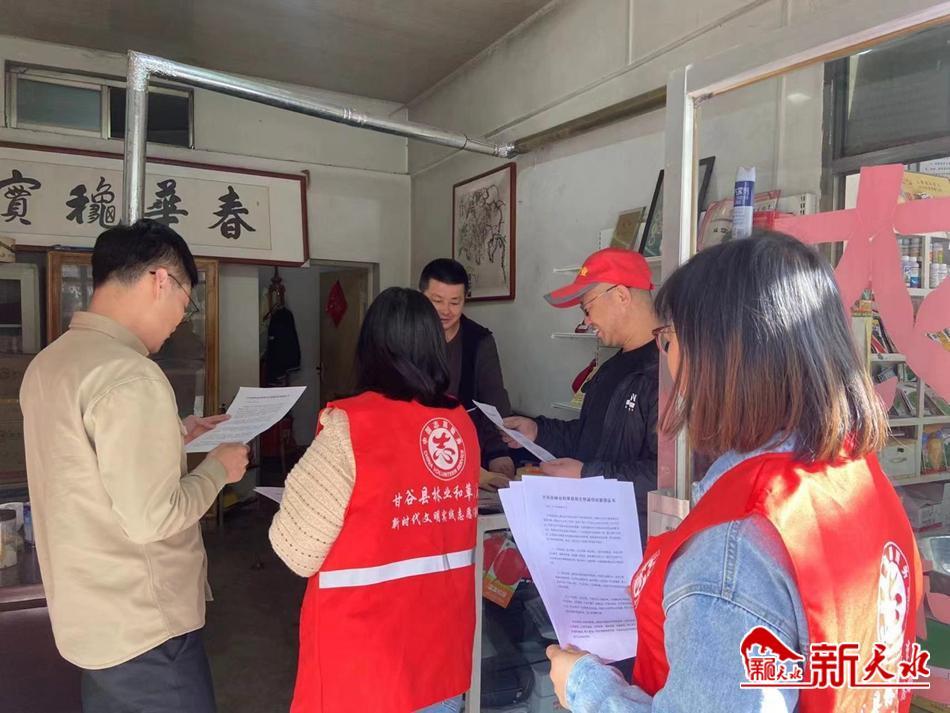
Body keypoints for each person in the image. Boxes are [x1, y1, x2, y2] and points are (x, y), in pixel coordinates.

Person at [547, 231, 921, 712]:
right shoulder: (857, 476)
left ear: (721, 355)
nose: (667, 359)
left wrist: (584, 686)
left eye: (669, 339)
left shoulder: (736, 542)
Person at [20, 219, 249, 713]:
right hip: (146, 629)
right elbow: (153, 518)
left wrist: (174, 434)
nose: (180, 319)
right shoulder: (130, 375)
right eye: (185, 302)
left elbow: (85, 464)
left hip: (90, 619)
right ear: (160, 280)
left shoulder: (50, 363)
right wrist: (218, 469)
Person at [270, 286, 480, 713]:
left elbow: (297, 550)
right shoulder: (459, 424)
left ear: (371, 347)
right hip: (440, 659)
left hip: (363, 666)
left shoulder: (351, 426)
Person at [502, 248, 659, 539]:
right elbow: (588, 436)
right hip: (594, 532)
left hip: (640, 542)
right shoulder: (610, 369)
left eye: (587, 309)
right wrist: (537, 431)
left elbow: (669, 477)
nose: (586, 322)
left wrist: (588, 476)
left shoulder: (667, 371)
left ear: (621, 296)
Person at [420, 258, 515, 478]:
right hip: (415, 443)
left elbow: (494, 401)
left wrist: (499, 453)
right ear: (421, 297)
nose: (445, 310)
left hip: (465, 447)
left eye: (455, 302)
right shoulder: (407, 337)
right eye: (437, 301)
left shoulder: (479, 341)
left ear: (465, 299)